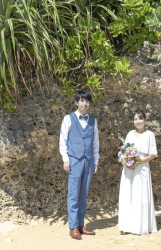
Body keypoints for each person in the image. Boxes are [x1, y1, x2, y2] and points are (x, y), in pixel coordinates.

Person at [59, 90, 100, 240]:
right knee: (73, 195)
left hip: (88, 161)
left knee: (83, 194)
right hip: (74, 160)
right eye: (82, 101)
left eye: (87, 101)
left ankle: (81, 225)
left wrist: (96, 160)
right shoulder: (68, 119)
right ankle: (73, 226)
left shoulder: (93, 121)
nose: (85, 103)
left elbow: (95, 143)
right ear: (76, 102)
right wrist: (66, 159)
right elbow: (63, 140)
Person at [118, 109, 158, 235]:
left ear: (145, 120)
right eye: (135, 119)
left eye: (140, 119)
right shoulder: (130, 134)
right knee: (128, 195)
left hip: (142, 168)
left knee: (140, 196)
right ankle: (127, 225)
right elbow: (125, 150)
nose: (138, 121)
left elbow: (153, 154)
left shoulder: (150, 134)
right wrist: (126, 161)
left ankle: (140, 227)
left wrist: (138, 162)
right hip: (128, 168)